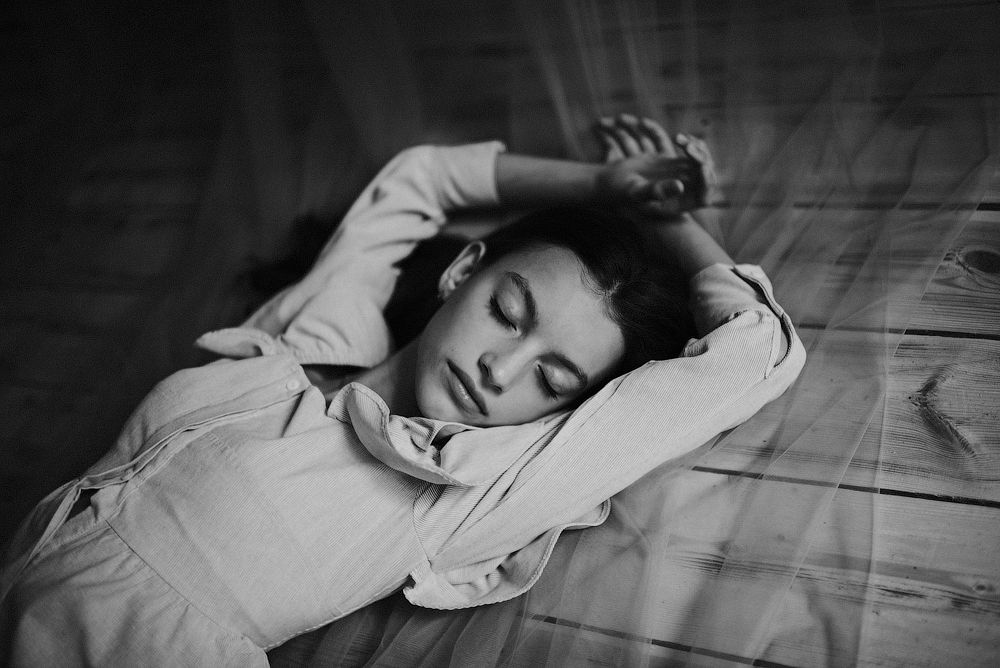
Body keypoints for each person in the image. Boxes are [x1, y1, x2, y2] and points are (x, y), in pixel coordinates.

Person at [0, 116, 805, 666]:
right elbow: (421, 179)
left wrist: (665, 221)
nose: (499, 370)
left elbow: (757, 352)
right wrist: (605, 185)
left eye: (551, 378)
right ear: (461, 272)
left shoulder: (462, 491)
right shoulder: (318, 331)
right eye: (506, 313)